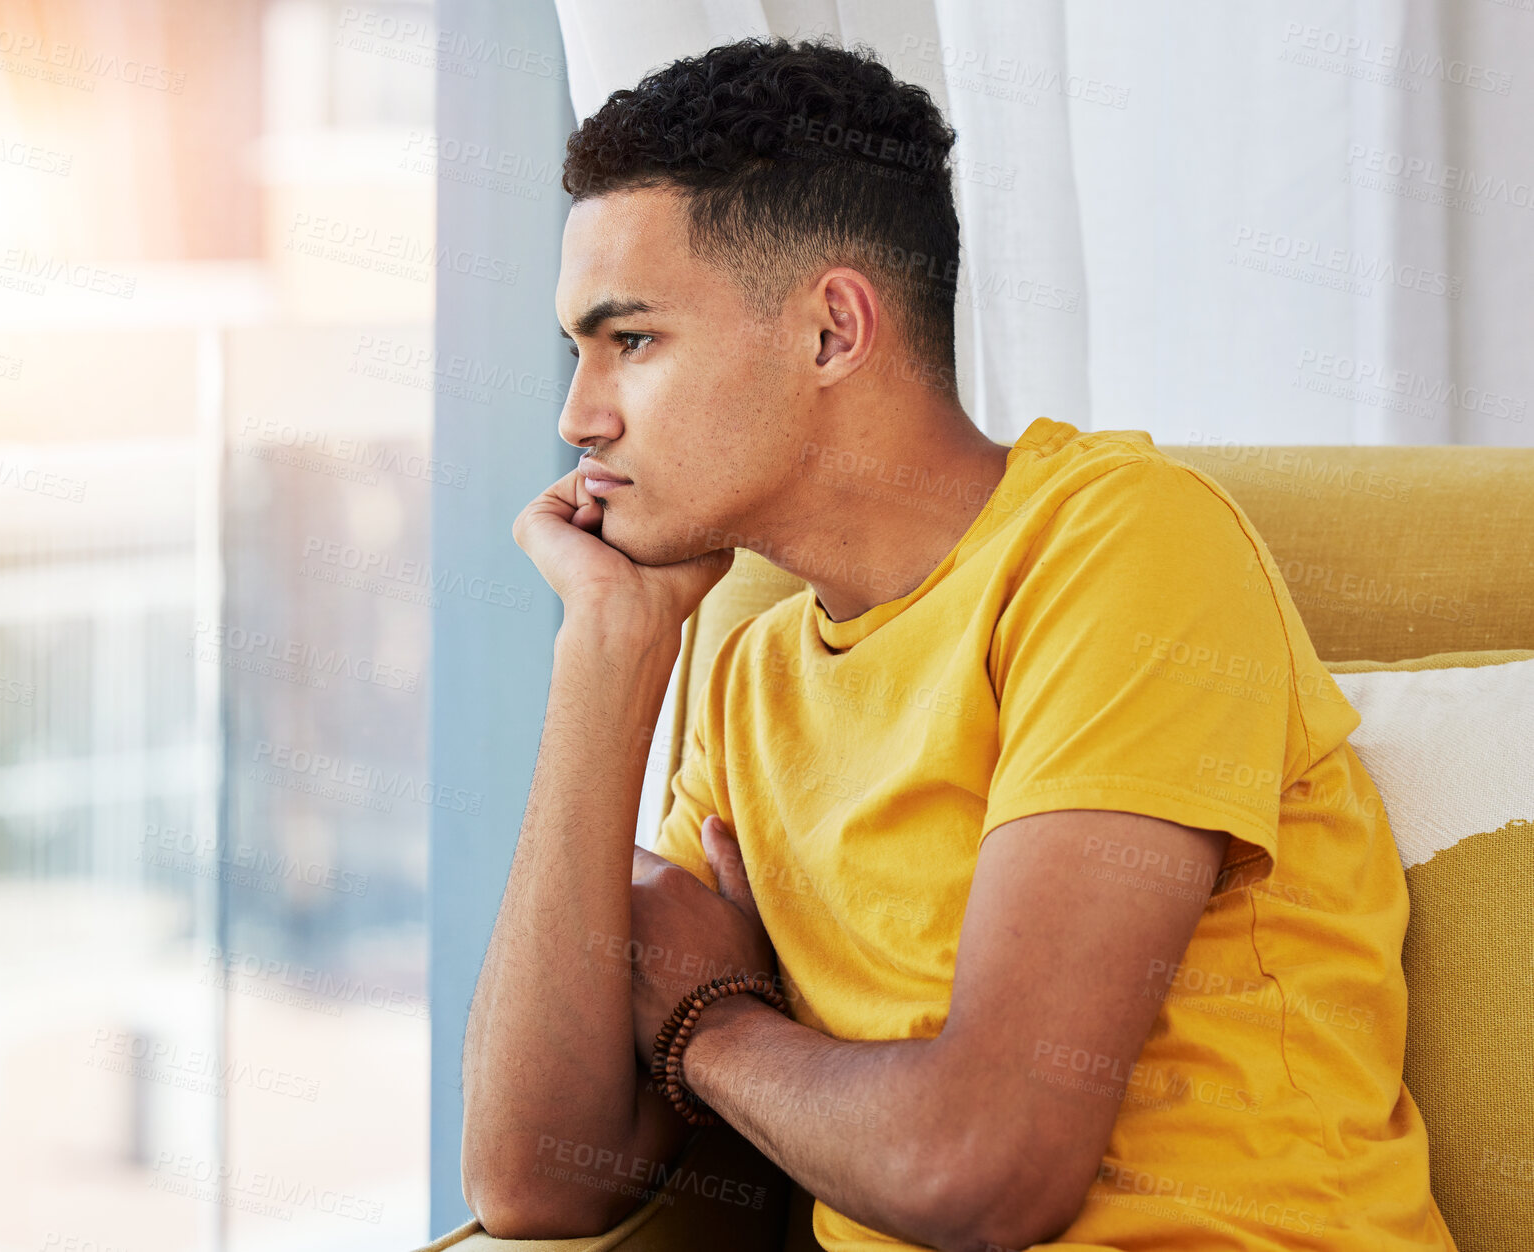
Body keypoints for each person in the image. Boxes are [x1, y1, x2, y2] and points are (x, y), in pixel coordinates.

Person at [461, 34, 1459, 1252]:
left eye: (632, 340)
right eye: (578, 350)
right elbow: (536, 1183)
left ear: (832, 330)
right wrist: (605, 649)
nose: (578, 416)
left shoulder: (1120, 546)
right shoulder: (750, 678)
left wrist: (709, 1024)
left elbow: (989, 1169)